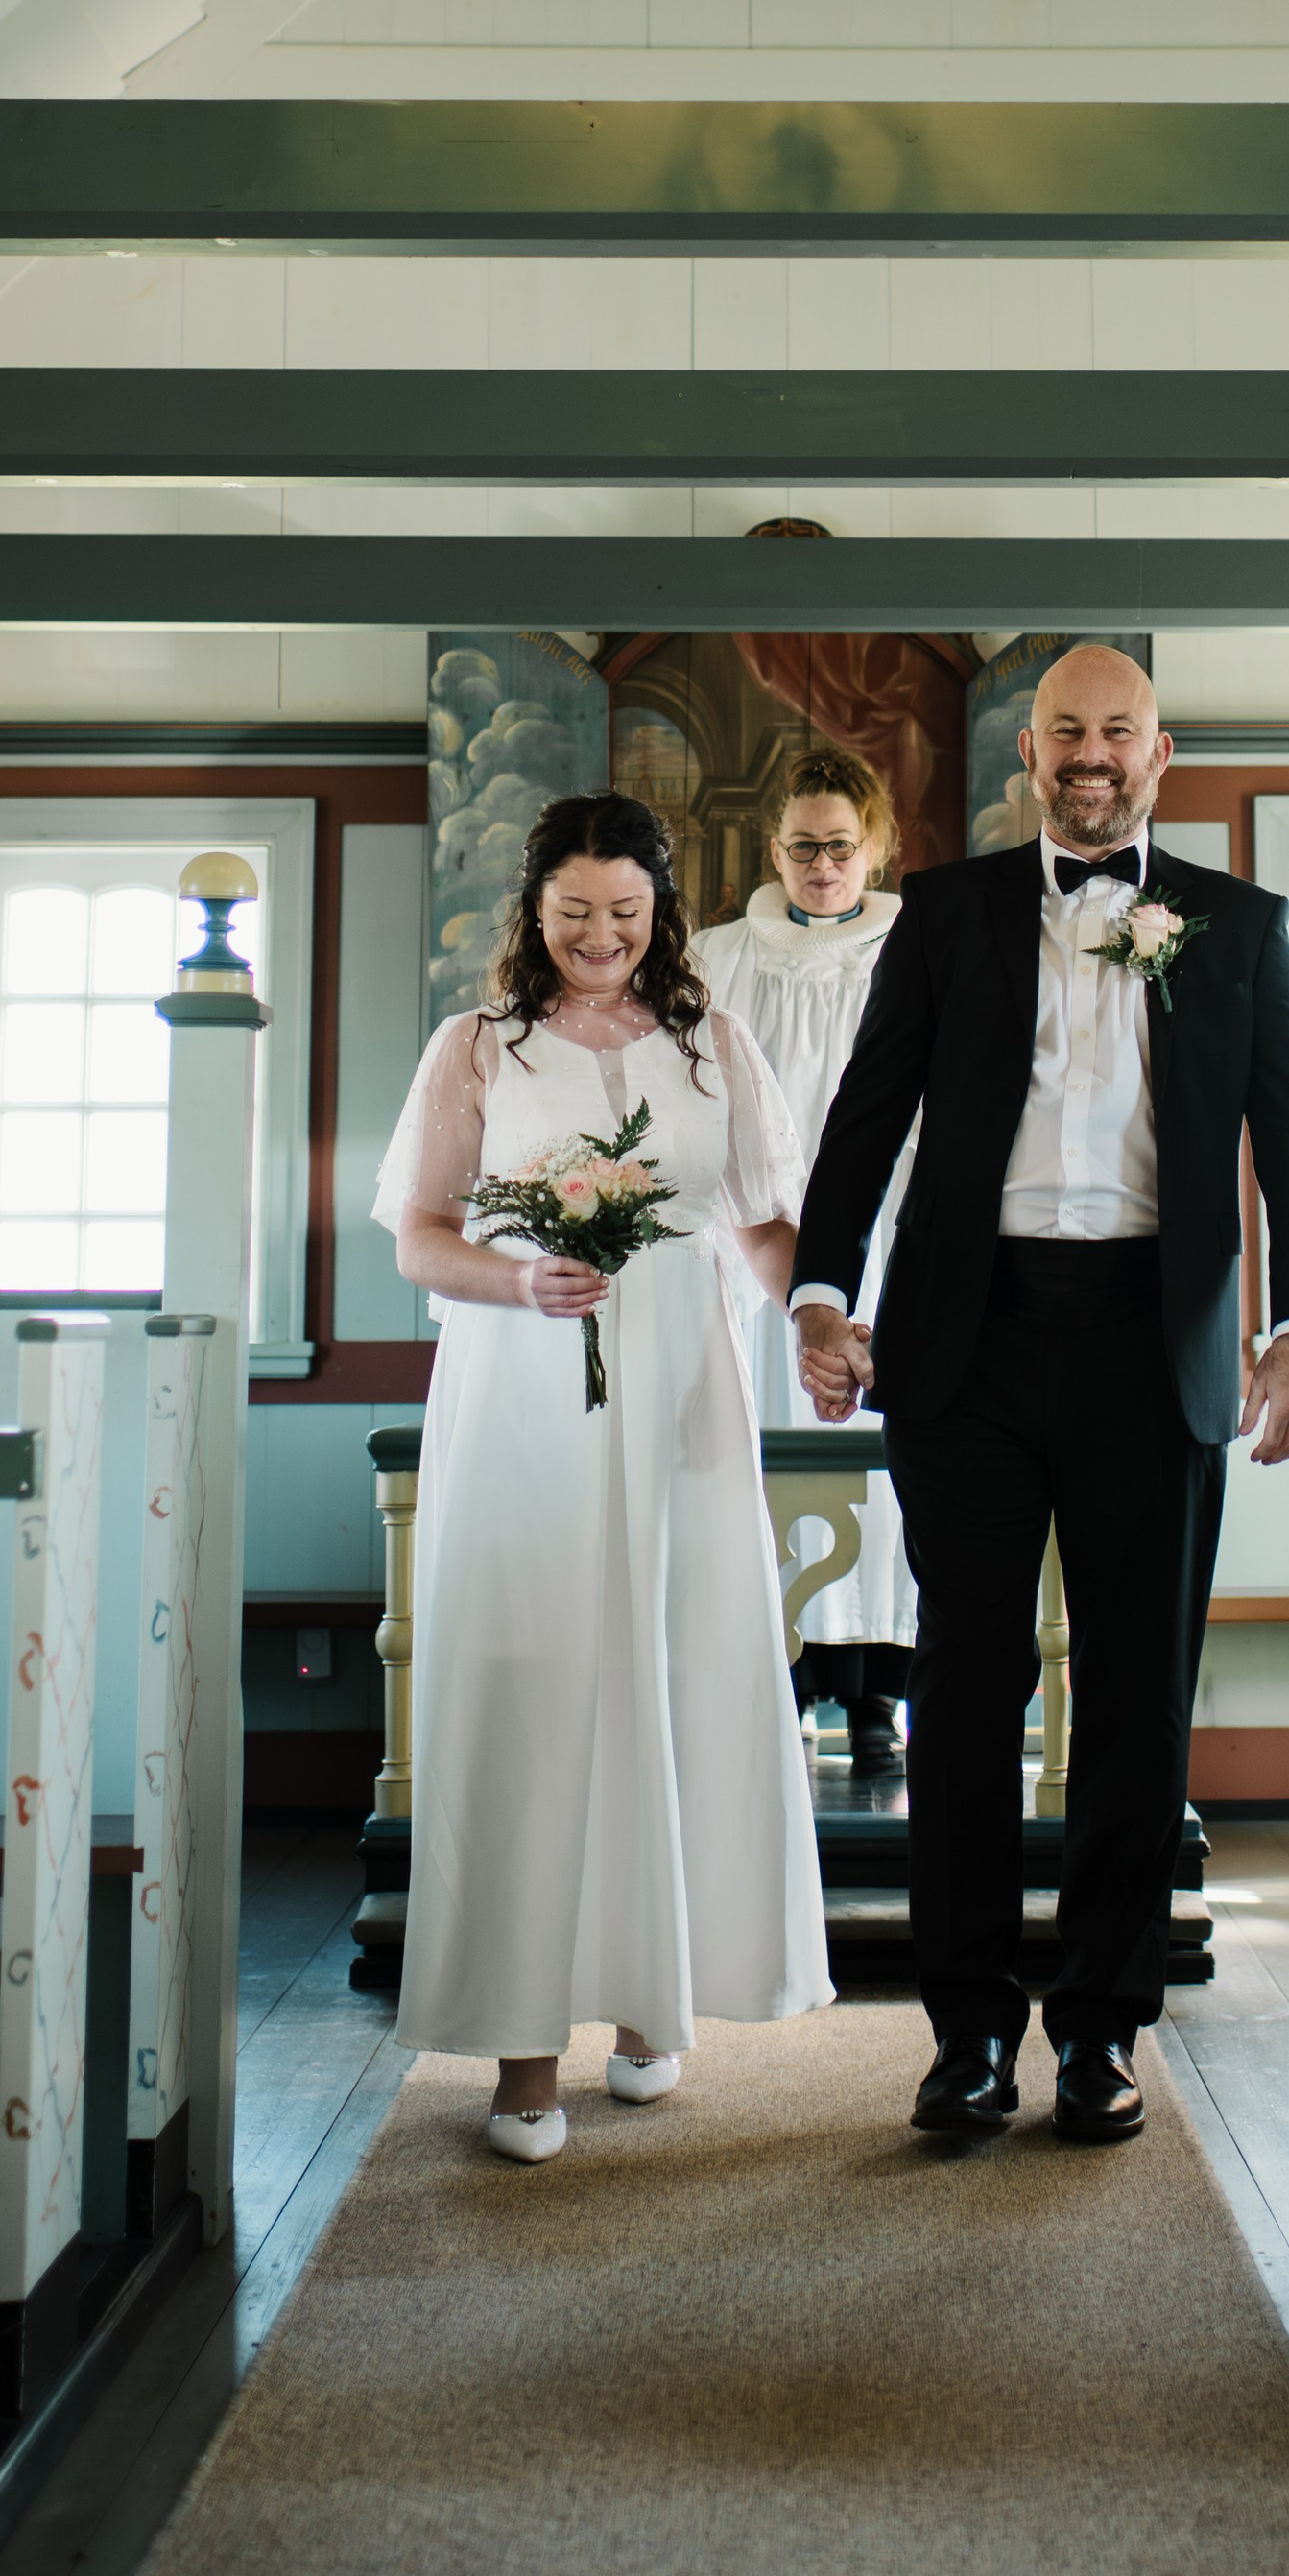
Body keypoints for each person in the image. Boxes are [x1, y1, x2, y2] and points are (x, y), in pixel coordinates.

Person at [789, 646, 1289, 2147]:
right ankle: (966, 2030)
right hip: (967, 1344)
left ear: (1161, 752)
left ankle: (1100, 2029)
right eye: (1067, 731)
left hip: (1158, 1347)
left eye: (1118, 732)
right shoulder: (946, 912)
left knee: (1139, 1699)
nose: (1093, 753)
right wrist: (821, 1291)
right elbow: (866, 1114)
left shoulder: (1239, 925)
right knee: (966, 1693)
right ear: (1029, 753)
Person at [374, 789, 832, 2164]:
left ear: (660, 911)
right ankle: (522, 2052)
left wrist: (818, 1319)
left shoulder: (712, 1043)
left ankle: (649, 2004)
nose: (600, 936)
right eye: (574, 912)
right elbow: (419, 1236)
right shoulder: (477, 1048)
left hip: (683, 1387)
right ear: (534, 911)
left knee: (674, 1670)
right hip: (524, 1389)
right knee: (532, 1685)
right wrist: (519, 1281)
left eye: (625, 913)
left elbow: (761, 1227)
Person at [690, 746, 916, 1777]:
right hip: (759, 1246)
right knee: (762, 1446)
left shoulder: (916, 947)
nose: (822, 867)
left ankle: (876, 1694)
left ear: (875, 846)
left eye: (840, 847)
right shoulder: (719, 958)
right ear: (773, 850)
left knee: (882, 1469)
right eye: (802, 848)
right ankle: (778, 1678)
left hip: (887, 1230)